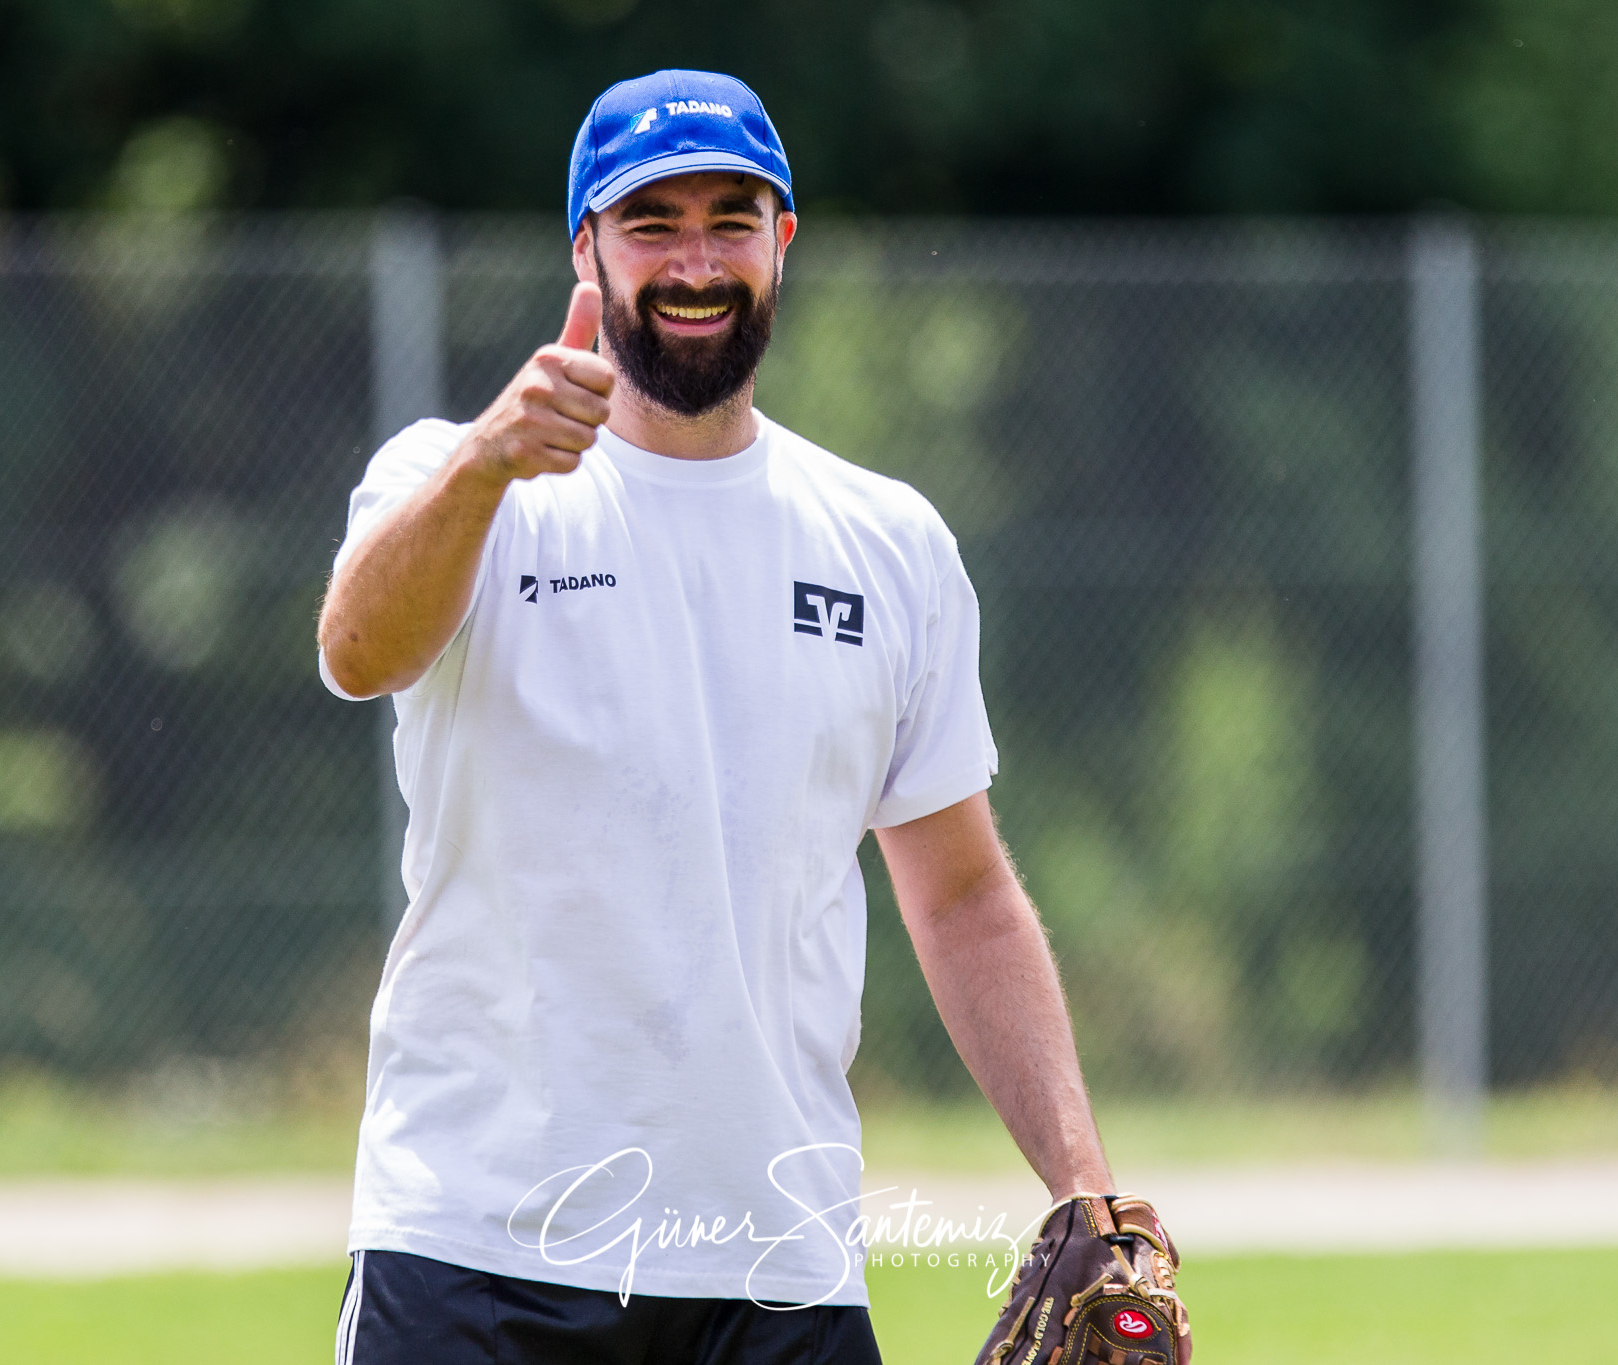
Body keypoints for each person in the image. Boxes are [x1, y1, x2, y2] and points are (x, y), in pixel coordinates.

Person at [316, 69, 1140, 1364]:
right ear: (585, 246)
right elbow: (358, 649)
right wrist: (487, 462)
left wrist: (1079, 1182)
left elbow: (965, 894)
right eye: (652, 223)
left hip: (779, 1269)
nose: (694, 261)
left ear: (782, 242)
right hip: (479, 1254)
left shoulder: (888, 543)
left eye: (729, 219)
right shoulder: (463, 480)